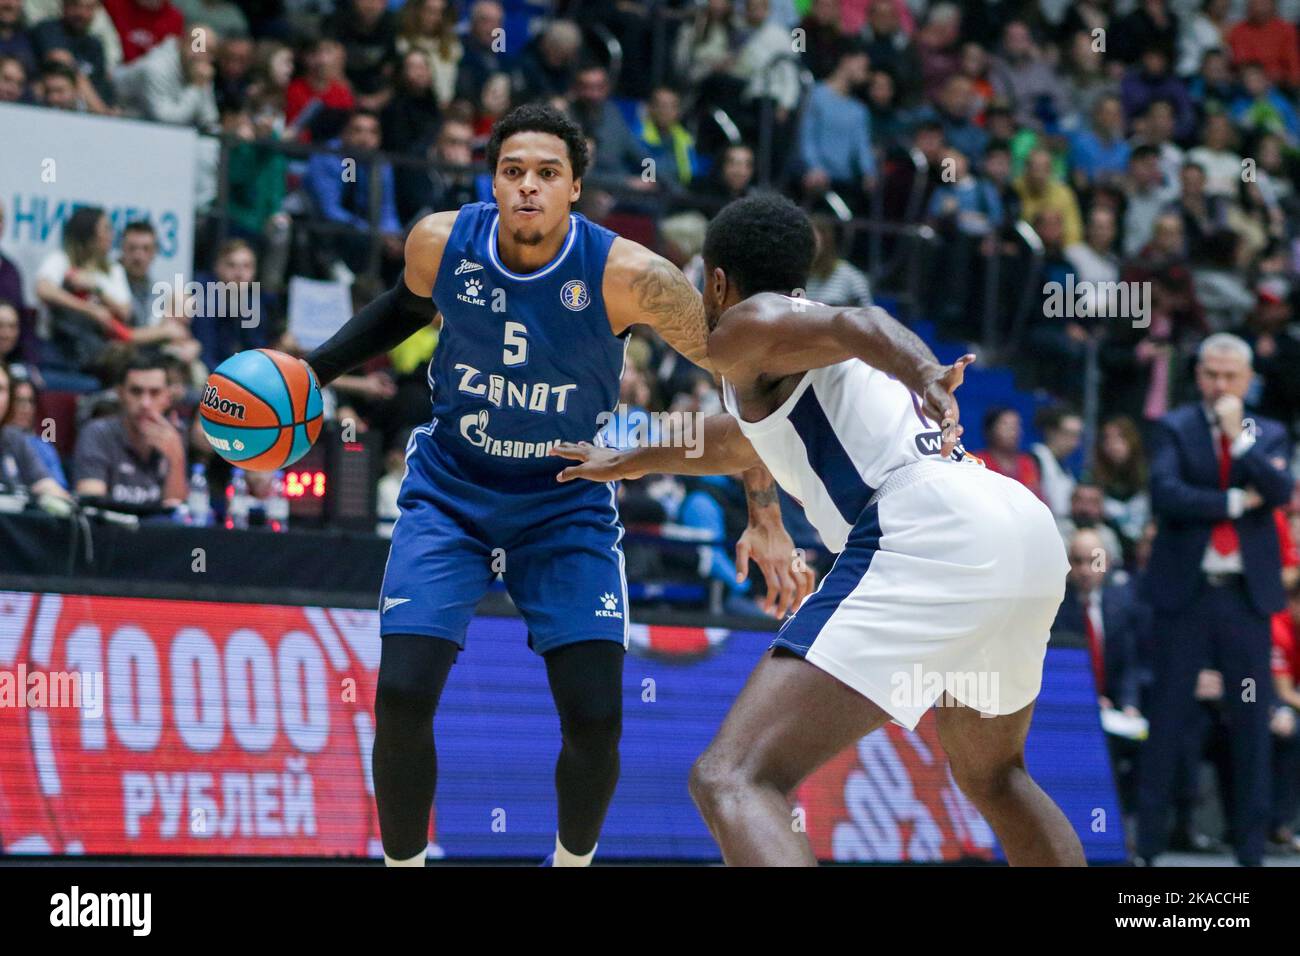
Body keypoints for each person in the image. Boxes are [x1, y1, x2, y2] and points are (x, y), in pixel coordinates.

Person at [300, 104, 804, 868]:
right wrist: (311, 373)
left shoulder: (634, 277)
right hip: (451, 491)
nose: (527, 188)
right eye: (512, 172)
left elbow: (744, 379)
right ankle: (402, 865)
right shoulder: (440, 242)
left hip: (566, 496)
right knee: (401, 696)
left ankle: (571, 865)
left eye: (546, 174)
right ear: (492, 182)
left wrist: (763, 512)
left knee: (597, 716)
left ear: (575, 187)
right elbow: (402, 309)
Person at [554, 193, 1084, 866]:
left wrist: (923, 369)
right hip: (1017, 529)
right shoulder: (784, 352)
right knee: (994, 775)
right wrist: (631, 458)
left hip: (926, 530)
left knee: (732, 777)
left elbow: (864, 318)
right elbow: (739, 442)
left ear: (717, 281)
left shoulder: (749, 322)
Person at [1136, 333, 1295, 867]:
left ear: (1249, 380)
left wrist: (1238, 440)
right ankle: (1149, 849)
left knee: (1251, 720)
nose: (1221, 385)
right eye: (1211, 374)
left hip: (1246, 602)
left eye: (1231, 376)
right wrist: (1231, 500)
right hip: (1187, 597)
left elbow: (1276, 494)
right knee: (1168, 719)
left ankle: (1250, 852)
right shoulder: (1174, 427)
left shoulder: (1268, 432)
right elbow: (1166, 494)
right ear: (1197, 375)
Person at [72, 351, 188, 508]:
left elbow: (177, 513)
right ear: (120, 394)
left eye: (154, 393)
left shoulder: (176, 436)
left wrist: (176, 459)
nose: (145, 403)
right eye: (136, 391)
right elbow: (91, 507)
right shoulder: (97, 433)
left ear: (167, 398)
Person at [0, 362, 68, 499]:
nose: (25, 408)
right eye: (20, 401)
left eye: (1, 389)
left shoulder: (14, 439)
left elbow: (45, 484)